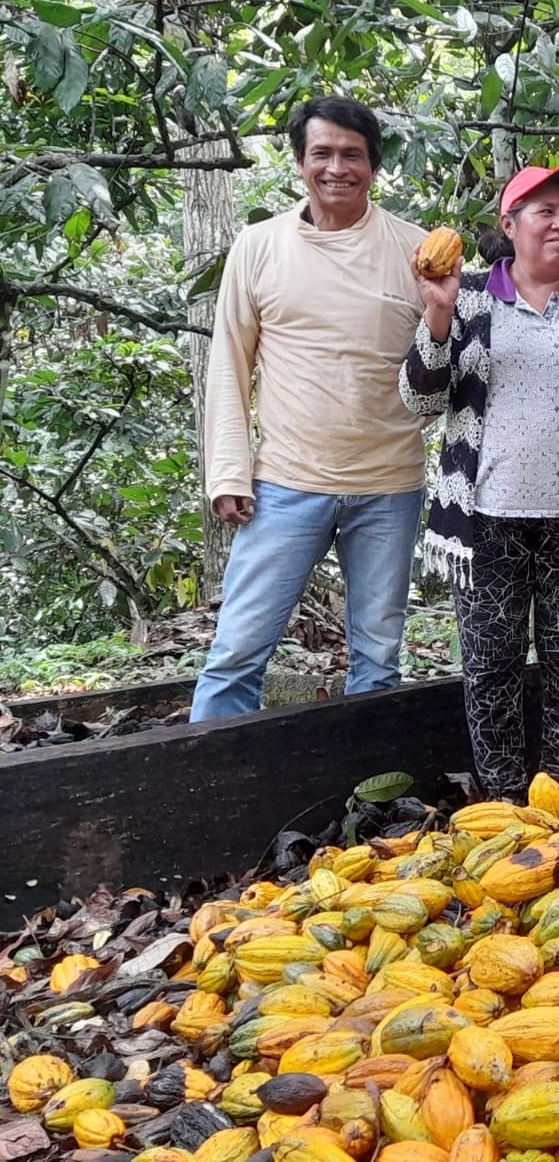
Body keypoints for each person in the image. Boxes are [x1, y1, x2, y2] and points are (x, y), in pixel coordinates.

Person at [401, 164, 559, 796]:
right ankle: (503, 798)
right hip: (487, 516)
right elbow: (420, 400)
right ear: (509, 224)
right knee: (492, 662)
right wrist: (437, 316)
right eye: (545, 211)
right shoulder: (467, 297)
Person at [192, 96, 428, 721]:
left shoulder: (417, 250)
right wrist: (227, 474)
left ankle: (373, 801)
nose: (337, 167)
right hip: (286, 483)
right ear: (299, 160)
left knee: (378, 660)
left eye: (353, 154)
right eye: (322, 153)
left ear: (373, 165)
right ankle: (203, 790)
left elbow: (447, 365)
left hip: (390, 485)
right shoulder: (259, 245)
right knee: (238, 650)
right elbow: (230, 364)